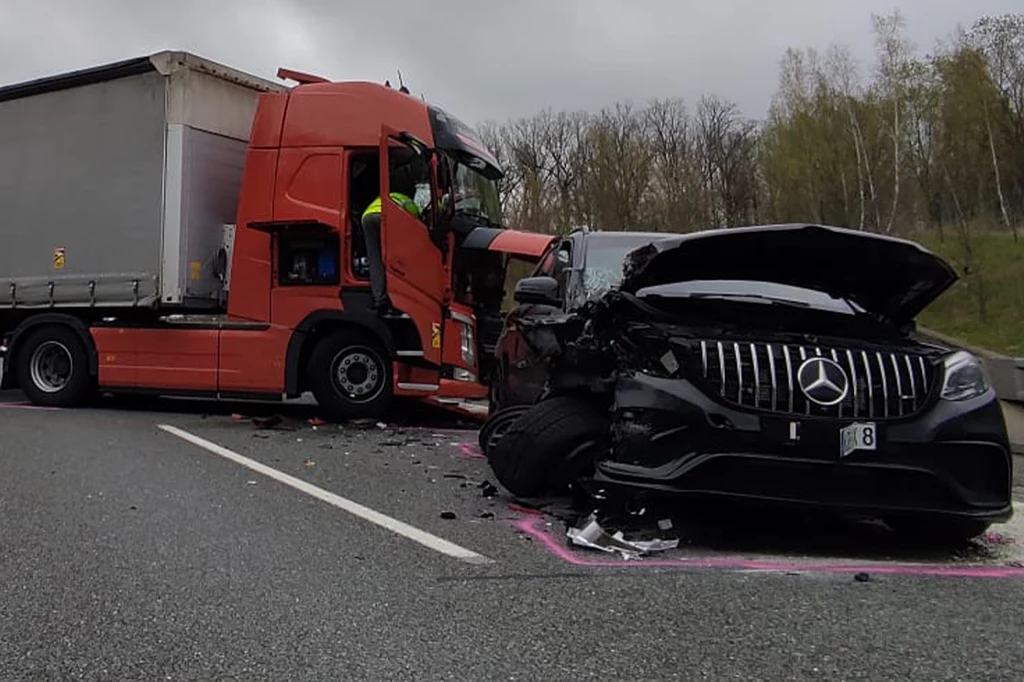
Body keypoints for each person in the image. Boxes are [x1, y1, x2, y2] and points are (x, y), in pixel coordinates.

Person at [360, 171, 422, 316]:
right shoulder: (409, 203)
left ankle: (379, 300)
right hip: (384, 217)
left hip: (368, 217)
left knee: (375, 259)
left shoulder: (389, 197)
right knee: (395, 258)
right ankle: (398, 298)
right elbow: (418, 226)